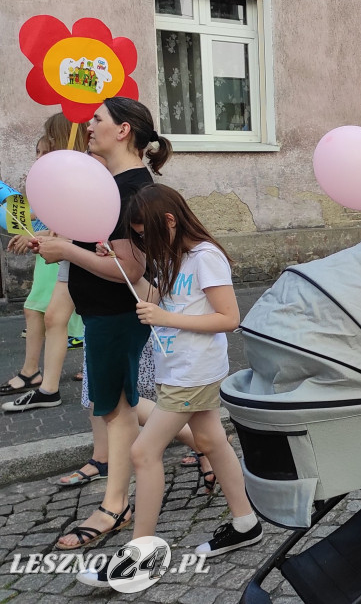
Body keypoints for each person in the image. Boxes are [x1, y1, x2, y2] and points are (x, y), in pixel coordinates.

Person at [76, 185, 262, 587]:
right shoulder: (174, 256)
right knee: (212, 441)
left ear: (170, 221)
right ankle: (246, 522)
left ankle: (140, 557)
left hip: (194, 371)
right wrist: (123, 269)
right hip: (179, 369)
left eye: (146, 234)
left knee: (143, 452)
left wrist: (166, 318)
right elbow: (154, 297)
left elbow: (229, 317)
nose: (144, 242)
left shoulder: (205, 257)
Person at [33, 98, 173, 550]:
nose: (88, 126)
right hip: (100, 313)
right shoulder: (109, 184)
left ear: (124, 131)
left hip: (116, 315)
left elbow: (130, 270)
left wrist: (67, 253)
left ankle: (115, 506)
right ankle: (206, 456)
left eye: (97, 120)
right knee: (121, 405)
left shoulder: (132, 191)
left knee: (115, 410)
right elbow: (98, 246)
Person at [1, 114, 89, 406]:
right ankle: (37, 378)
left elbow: (75, 226)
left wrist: (37, 238)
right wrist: (35, 234)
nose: (40, 155)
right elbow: (54, 220)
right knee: (40, 312)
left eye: (46, 147)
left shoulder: (80, 177)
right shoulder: (57, 178)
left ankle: (43, 381)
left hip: (65, 254)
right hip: (53, 252)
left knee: (59, 316)